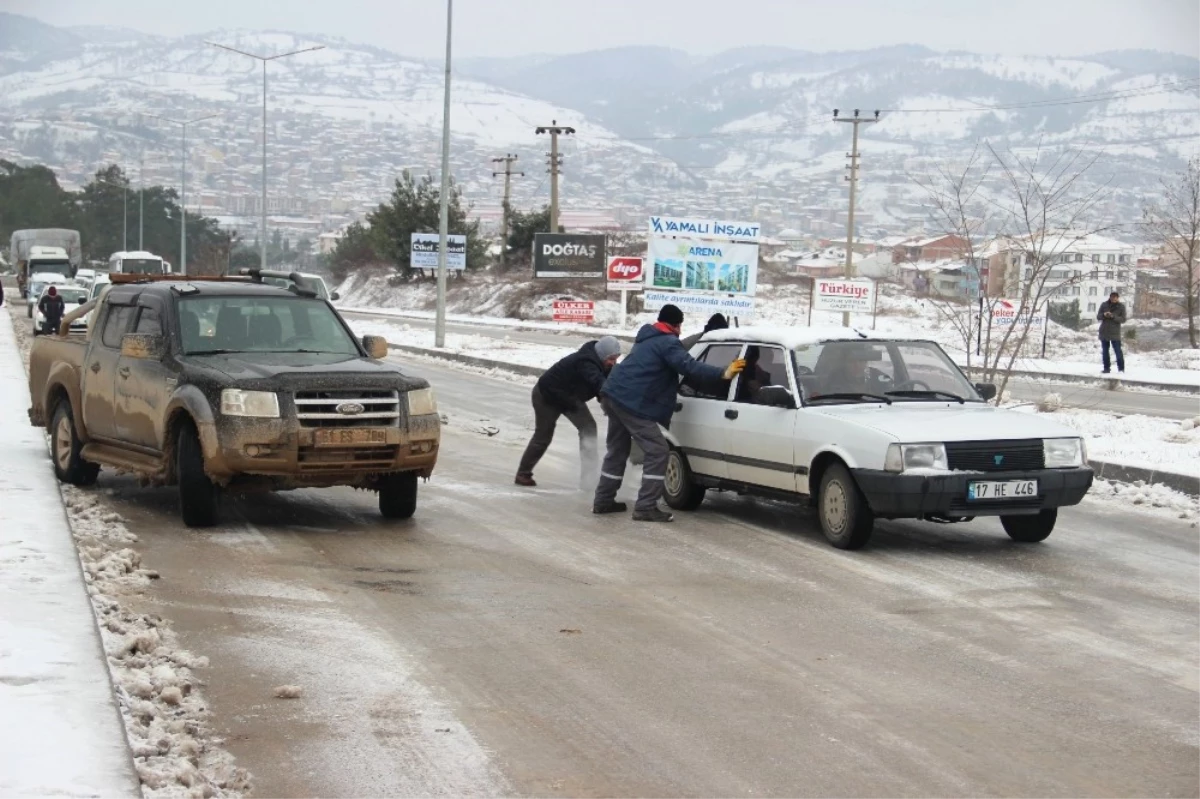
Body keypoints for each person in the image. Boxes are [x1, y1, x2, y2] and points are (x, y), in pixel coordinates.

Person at [593, 304, 744, 522]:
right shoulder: (667, 342)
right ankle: (645, 507)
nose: (681, 330)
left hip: (612, 395)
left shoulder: (648, 338)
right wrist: (724, 373)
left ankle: (603, 500)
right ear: (675, 325)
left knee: (617, 450)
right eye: (680, 325)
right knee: (658, 451)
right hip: (632, 402)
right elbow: (689, 366)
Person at [516, 336, 622, 489]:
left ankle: (589, 480)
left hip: (570, 398)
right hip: (546, 396)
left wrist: (609, 406)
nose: (613, 362)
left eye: (616, 359)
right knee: (543, 436)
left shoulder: (604, 365)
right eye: (611, 358)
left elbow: (602, 389)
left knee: (589, 428)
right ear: (602, 355)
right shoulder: (586, 362)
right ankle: (523, 474)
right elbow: (598, 383)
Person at [1097, 291, 1126, 374]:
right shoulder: (1104, 305)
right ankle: (1106, 368)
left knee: (1118, 351)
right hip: (1104, 331)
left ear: (1118, 298)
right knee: (1105, 351)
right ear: (1110, 297)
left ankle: (1121, 369)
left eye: (1115, 297)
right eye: (1112, 297)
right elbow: (1098, 316)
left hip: (1115, 332)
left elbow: (1123, 319)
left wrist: (1113, 316)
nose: (1114, 298)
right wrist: (1104, 315)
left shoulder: (1121, 307)